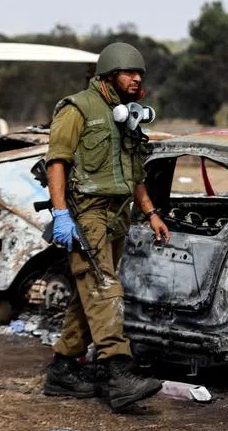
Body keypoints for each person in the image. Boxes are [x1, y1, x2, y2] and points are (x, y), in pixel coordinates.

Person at [41, 42, 168, 411]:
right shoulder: (78, 108)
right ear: (110, 75)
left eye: (140, 73)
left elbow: (135, 173)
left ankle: (63, 369)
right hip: (87, 213)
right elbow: (57, 162)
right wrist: (61, 213)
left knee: (90, 294)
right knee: (104, 288)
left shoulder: (126, 115)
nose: (137, 78)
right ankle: (117, 370)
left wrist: (151, 212)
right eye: (129, 73)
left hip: (118, 215)